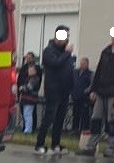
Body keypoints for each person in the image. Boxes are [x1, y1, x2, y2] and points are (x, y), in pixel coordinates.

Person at [77, 26, 114, 158]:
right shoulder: (106, 51)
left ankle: (111, 147)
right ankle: (91, 146)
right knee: (95, 119)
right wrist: (93, 89)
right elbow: (99, 71)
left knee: (111, 121)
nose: (113, 37)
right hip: (101, 92)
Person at [35, 25, 74, 155]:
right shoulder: (49, 51)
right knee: (49, 118)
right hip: (53, 90)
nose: (67, 39)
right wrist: (67, 54)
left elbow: (69, 69)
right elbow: (55, 63)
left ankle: (56, 143)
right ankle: (40, 143)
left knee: (60, 119)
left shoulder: (65, 53)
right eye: (65, 36)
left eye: (68, 36)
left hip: (65, 90)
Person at [17, 52, 42, 131]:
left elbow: (32, 85)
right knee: (24, 112)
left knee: (29, 112)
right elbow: (19, 80)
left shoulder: (36, 69)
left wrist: (23, 88)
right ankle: (26, 127)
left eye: (29, 58)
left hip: (31, 95)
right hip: (24, 95)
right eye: (26, 58)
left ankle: (30, 128)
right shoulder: (24, 68)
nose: (27, 59)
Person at [71, 57, 92, 133]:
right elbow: (71, 82)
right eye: (81, 63)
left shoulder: (90, 74)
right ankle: (75, 129)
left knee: (85, 114)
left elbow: (91, 85)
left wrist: (86, 91)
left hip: (85, 97)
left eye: (83, 63)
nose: (82, 65)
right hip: (75, 96)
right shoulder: (75, 72)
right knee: (75, 113)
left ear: (87, 64)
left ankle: (84, 129)